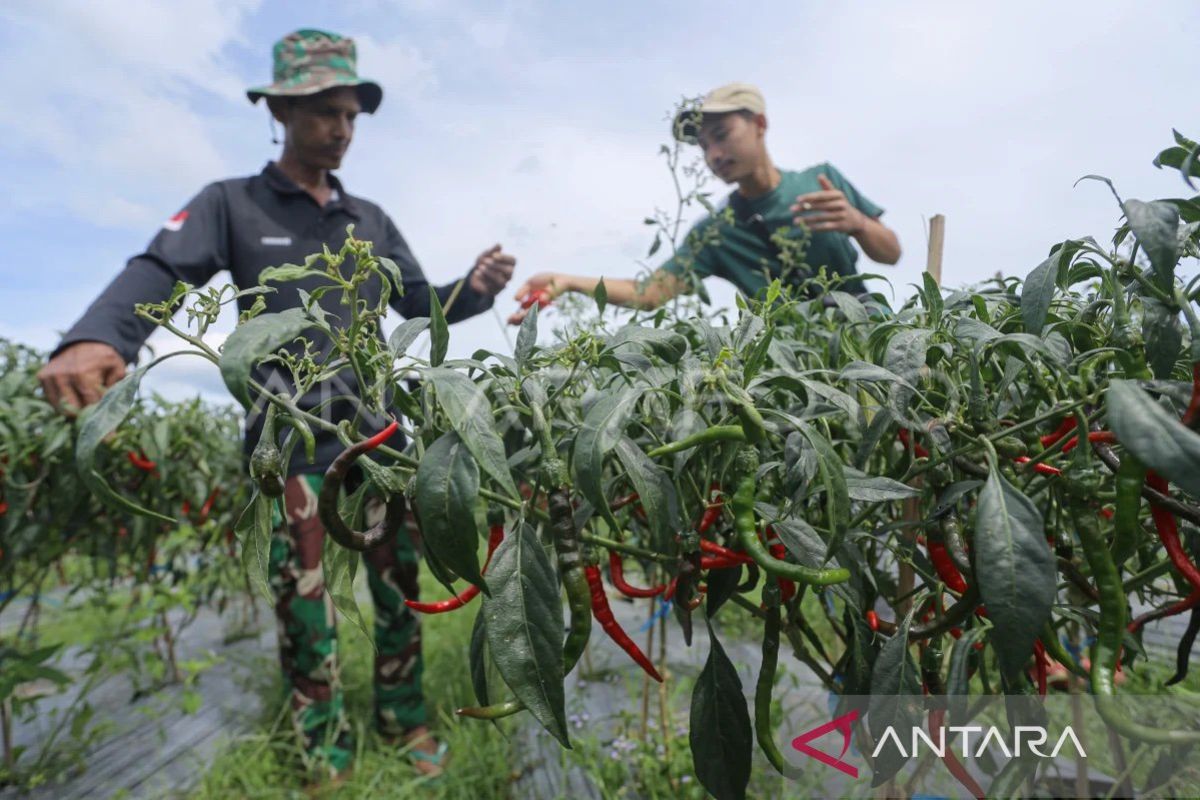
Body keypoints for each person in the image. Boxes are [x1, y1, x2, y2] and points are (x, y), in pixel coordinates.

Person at [37, 29, 515, 782]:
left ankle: (404, 720)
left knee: (399, 597)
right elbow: (162, 267)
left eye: (351, 115)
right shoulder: (232, 203)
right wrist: (100, 335)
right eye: (326, 111)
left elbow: (420, 303)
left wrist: (477, 288)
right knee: (307, 612)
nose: (342, 129)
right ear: (281, 110)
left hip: (380, 446)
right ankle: (323, 751)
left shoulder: (371, 220)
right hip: (292, 453)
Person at [507, 82, 900, 323]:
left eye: (722, 135)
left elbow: (891, 255)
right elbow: (649, 294)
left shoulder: (819, 181)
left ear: (760, 124)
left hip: (872, 334)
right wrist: (569, 282)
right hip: (800, 367)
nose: (713, 153)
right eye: (704, 145)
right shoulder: (715, 231)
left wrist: (859, 225)